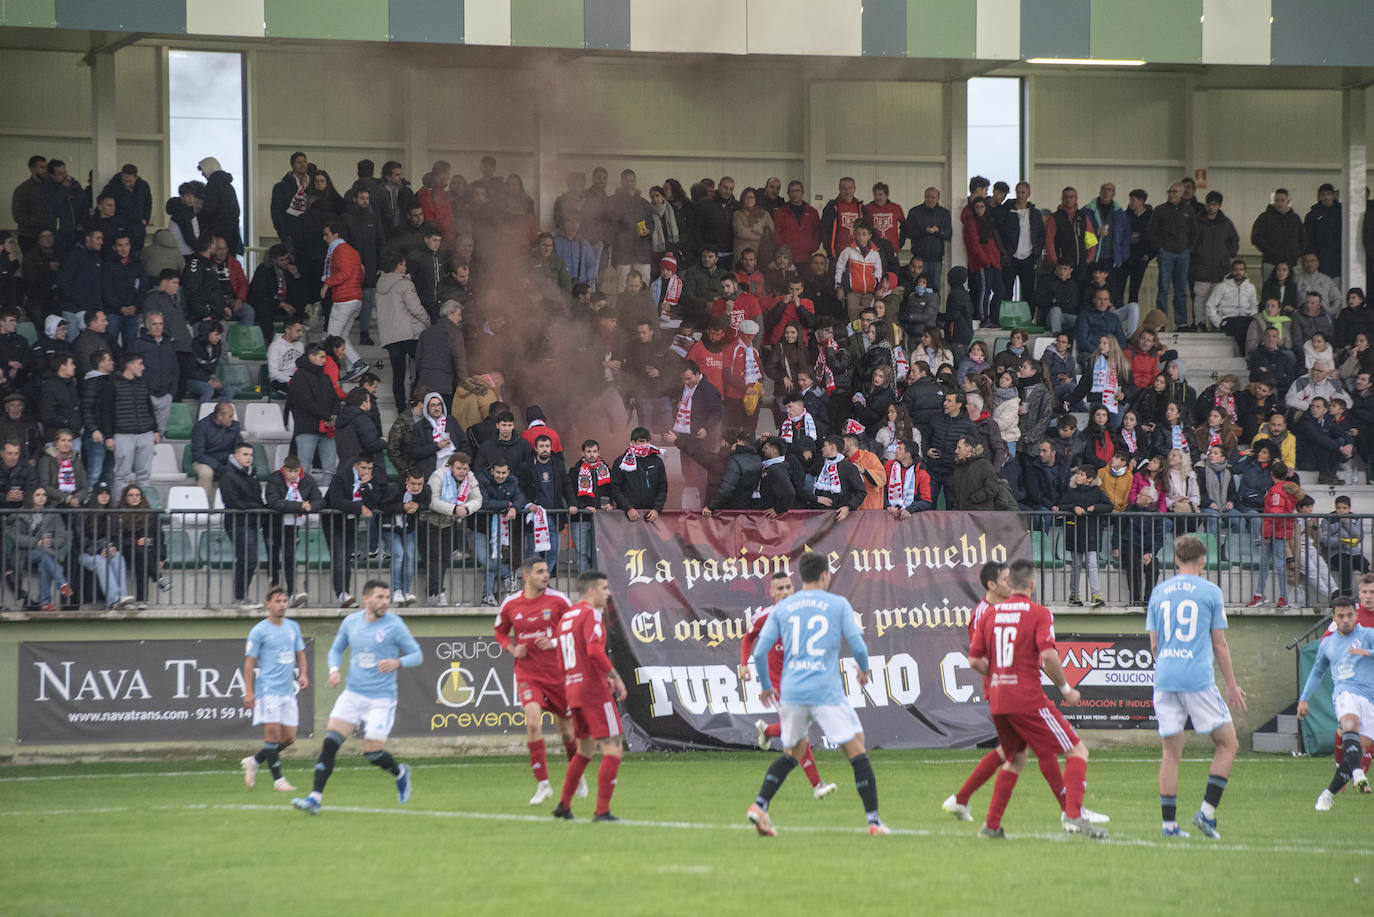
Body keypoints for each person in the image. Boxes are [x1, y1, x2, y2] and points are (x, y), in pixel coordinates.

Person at [745, 551, 888, 836]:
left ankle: (760, 806)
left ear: (801, 577)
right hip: (825, 691)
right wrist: (862, 669)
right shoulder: (837, 604)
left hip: (793, 691)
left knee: (791, 752)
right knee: (857, 750)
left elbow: (759, 652)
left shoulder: (784, 608)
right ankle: (874, 822)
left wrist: (764, 686)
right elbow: (859, 647)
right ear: (825, 576)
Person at [967, 559, 1105, 839]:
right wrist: (1066, 688)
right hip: (1027, 697)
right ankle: (1074, 816)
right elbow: (1048, 655)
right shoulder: (1039, 613)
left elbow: (974, 659)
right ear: (1031, 584)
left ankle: (991, 825)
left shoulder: (990, 615)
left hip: (998, 698)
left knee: (1015, 759)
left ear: (1010, 583)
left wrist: (999, 675)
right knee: (1077, 751)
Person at [292, 581, 421, 815]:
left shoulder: (395, 625)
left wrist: (398, 662)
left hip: (381, 699)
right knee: (330, 744)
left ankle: (400, 773)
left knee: (373, 754)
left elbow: (417, 655)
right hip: (352, 694)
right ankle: (314, 798)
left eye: (386, 597)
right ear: (366, 599)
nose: (384, 602)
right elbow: (336, 649)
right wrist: (333, 670)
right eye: (379, 597)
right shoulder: (351, 622)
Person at [1146, 534, 1246, 837]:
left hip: (1164, 677)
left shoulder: (1159, 592)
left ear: (1176, 560)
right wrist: (1231, 684)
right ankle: (1206, 812)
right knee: (1228, 744)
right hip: (1196, 678)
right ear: (1203, 560)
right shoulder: (1211, 592)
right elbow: (1220, 644)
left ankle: (1169, 825)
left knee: (1171, 754)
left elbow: (1153, 645)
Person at [494, 558, 583, 806]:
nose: (546, 575)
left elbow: (577, 628)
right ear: (526, 576)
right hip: (528, 673)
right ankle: (543, 784)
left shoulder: (559, 601)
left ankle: (577, 775)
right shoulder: (511, 603)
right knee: (532, 723)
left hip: (558, 674)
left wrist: (554, 642)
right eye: (540, 571)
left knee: (567, 732)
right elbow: (500, 632)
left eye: (547, 571)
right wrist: (512, 649)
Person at [742, 572, 837, 798]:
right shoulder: (765, 616)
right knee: (799, 733)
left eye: (788, 587)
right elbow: (748, 637)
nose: (785, 592)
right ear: (772, 593)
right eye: (780, 589)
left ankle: (766, 730)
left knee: (796, 727)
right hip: (777, 685)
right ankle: (817, 786)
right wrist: (744, 665)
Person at [548, 570, 628, 821]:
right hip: (594, 691)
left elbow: (562, 660)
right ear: (591, 591)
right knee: (613, 749)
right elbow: (594, 650)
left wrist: (572, 684)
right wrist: (613, 676)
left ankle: (563, 806)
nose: (608, 593)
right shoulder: (591, 614)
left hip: (573, 689)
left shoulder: (566, 618)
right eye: (604, 588)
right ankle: (602, 811)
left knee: (584, 751)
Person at [1302, 595, 1374, 810]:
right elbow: (1316, 672)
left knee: (1359, 750)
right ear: (1333, 617)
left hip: (1370, 699)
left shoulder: (1369, 635)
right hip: (1345, 693)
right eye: (1340, 616)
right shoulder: (1328, 644)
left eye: (1350, 615)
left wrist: (1367, 653)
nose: (1345, 620)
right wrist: (1304, 699)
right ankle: (1358, 773)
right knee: (1349, 723)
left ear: (1356, 614)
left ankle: (1327, 794)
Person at [240, 587, 309, 793]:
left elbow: (301, 653)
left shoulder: (293, 627)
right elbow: (249, 662)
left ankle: (255, 760)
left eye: (285, 601)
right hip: (268, 690)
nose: (282, 605)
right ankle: (279, 781)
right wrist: (249, 691)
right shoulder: (259, 631)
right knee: (272, 735)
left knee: (288, 738)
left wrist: (303, 674)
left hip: (288, 690)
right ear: (268, 604)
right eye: (277, 601)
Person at [422, 452, 482, 606]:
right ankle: (435, 593)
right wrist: (455, 509)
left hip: (449, 523)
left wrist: (466, 509)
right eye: (459, 468)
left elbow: (478, 499)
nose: (462, 471)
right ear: (451, 467)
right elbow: (432, 502)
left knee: (444, 558)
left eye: (464, 468)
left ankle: (436, 593)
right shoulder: (438, 476)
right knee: (434, 558)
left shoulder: (470, 477)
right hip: (430, 522)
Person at [264, 455, 320, 609]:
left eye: (296, 471)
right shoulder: (274, 480)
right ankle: (274, 595)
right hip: (272, 525)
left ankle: (292, 593)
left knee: (290, 558)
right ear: (284, 470)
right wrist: (299, 506)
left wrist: (310, 507)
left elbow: (319, 500)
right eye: (290, 471)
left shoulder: (307, 480)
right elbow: (274, 502)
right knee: (273, 561)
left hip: (292, 526)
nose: (293, 475)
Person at [324, 455, 380, 608]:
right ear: (355, 466)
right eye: (363, 468)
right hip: (333, 522)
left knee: (347, 557)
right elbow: (336, 501)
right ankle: (341, 593)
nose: (366, 471)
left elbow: (373, 502)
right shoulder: (341, 477)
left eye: (369, 468)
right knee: (339, 556)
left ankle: (346, 593)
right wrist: (359, 508)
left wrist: (363, 487)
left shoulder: (369, 481)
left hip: (350, 522)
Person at [218, 442, 265, 611]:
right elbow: (232, 500)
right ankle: (240, 598)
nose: (249, 458)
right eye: (245, 454)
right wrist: (256, 507)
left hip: (251, 521)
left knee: (249, 559)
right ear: (236, 456)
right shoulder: (228, 475)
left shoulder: (251, 474)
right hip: (237, 522)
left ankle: (241, 597)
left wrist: (258, 508)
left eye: (251, 455)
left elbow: (257, 498)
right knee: (247, 558)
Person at [1249, 461, 1300, 609]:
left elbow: (1275, 514)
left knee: (1277, 564)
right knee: (1266, 563)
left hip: (1275, 532)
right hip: (1278, 531)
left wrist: (1266, 534)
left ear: (1272, 474)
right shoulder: (1288, 489)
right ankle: (1260, 594)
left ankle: (1282, 598)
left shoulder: (1277, 491)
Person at [286, 345, 340, 485]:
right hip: (306, 429)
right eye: (321, 357)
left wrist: (333, 415)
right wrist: (329, 416)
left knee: (330, 470)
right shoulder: (299, 378)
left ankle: (327, 498)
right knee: (304, 469)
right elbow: (306, 403)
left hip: (327, 430)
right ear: (311, 357)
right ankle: (303, 500)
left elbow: (335, 399)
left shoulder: (326, 378)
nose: (324, 361)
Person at [110, 353, 158, 498]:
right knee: (122, 475)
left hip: (145, 433)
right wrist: (108, 435)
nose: (142, 367)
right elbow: (107, 411)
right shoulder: (113, 383)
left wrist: (155, 430)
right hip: (123, 433)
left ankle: (143, 513)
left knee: (144, 475)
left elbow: (149, 407)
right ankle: (119, 512)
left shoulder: (143, 382)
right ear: (129, 365)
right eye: (139, 363)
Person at [379, 471, 428, 606]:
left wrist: (418, 506)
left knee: (410, 557)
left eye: (419, 484)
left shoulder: (425, 491)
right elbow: (382, 506)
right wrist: (402, 507)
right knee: (399, 554)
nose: (416, 487)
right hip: (391, 528)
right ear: (407, 481)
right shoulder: (395, 489)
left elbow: (428, 504)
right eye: (413, 483)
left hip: (409, 529)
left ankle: (406, 591)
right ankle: (397, 591)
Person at [190, 401, 243, 499]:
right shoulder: (201, 427)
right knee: (206, 473)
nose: (233, 419)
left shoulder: (234, 426)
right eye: (230, 416)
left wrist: (233, 463)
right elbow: (198, 454)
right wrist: (217, 466)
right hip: (204, 461)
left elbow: (239, 447)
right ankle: (204, 506)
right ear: (219, 416)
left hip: (226, 461)